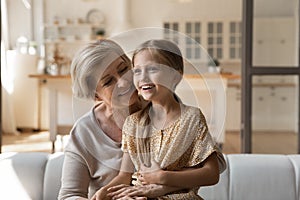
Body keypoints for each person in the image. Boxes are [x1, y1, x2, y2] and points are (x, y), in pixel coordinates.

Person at [95, 39, 226, 200]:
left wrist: (162, 178)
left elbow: (211, 174)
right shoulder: (133, 123)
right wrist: (105, 191)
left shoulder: (192, 118)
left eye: (152, 69)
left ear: (175, 76)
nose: (143, 77)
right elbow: (124, 176)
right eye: (137, 71)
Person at [58, 39, 185, 200]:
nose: (124, 82)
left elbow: (193, 172)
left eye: (124, 69)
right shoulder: (85, 132)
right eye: (108, 81)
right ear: (95, 95)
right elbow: (69, 195)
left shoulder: (167, 108)